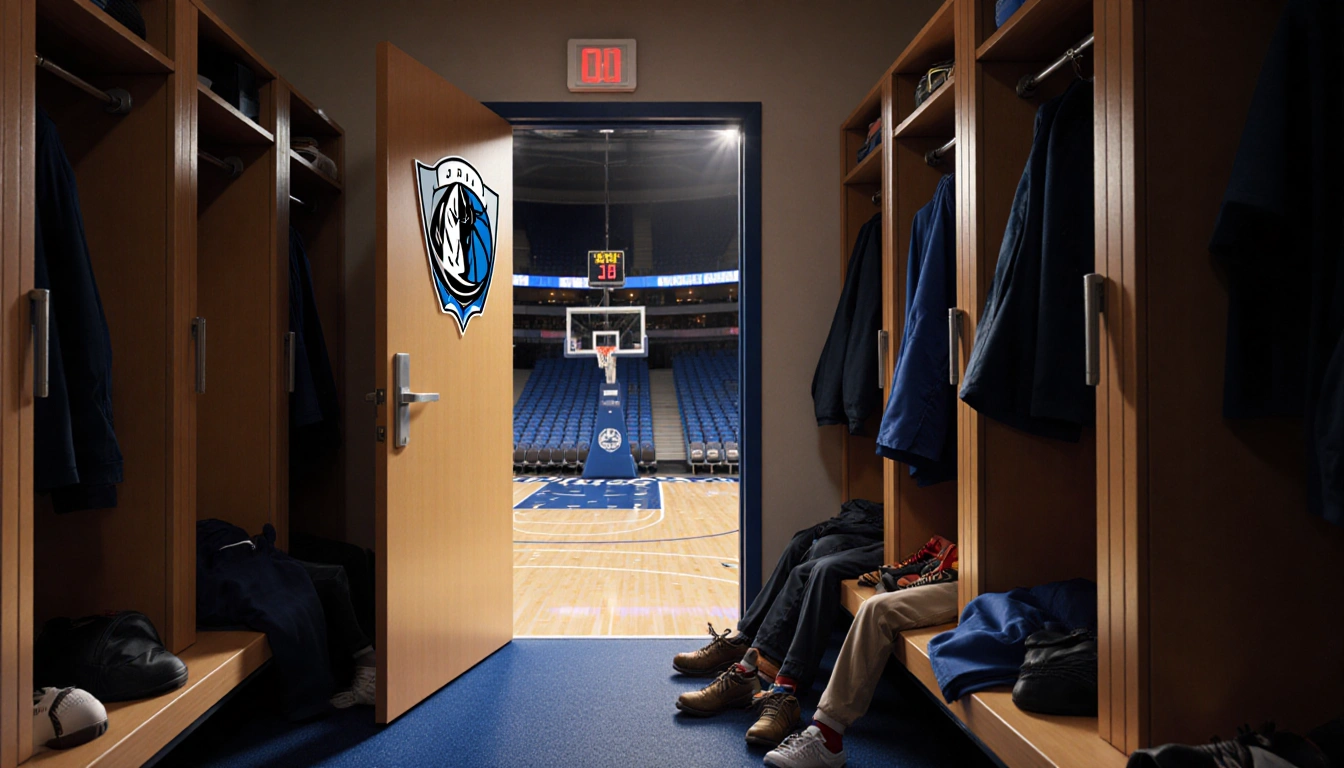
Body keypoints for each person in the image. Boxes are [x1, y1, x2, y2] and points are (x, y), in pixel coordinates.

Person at [672, 500, 886, 747]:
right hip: (878, 516)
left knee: (820, 570)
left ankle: (783, 689)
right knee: (799, 543)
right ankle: (746, 645)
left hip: (903, 535)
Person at [762, 544, 959, 768]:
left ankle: (826, 737)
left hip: (983, 585)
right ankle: (754, 660)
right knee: (813, 560)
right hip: (964, 572)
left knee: (875, 607)